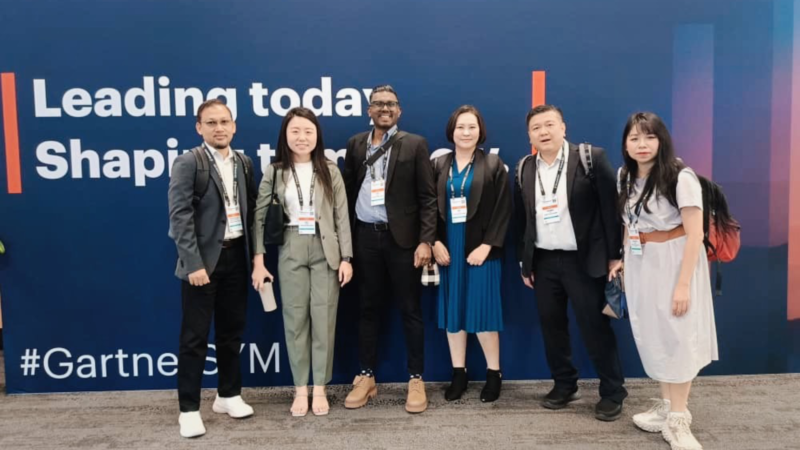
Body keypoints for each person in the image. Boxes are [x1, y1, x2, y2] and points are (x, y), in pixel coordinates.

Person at [515, 104, 627, 421]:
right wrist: (525, 264)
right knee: (552, 327)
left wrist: (615, 256)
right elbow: (522, 220)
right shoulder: (524, 167)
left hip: (584, 261)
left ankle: (613, 391)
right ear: (529, 135)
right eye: (536, 128)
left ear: (564, 127)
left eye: (550, 125)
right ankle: (565, 385)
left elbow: (610, 211)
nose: (544, 132)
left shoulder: (591, 158)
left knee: (595, 327)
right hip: (544, 261)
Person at [613, 112, 718, 450]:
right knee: (654, 335)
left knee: (679, 335)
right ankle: (666, 406)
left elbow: (695, 234)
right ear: (626, 144)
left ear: (661, 140)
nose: (641, 145)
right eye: (634, 138)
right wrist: (626, 263)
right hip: (642, 263)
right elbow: (629, 224)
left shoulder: (680, 176)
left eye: (649, 137)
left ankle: (679, 420)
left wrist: (684, 284)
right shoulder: (623, 177)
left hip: (675, 261)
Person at [251, 107, 353, 417]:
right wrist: (258, 260)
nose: (302, 137)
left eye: (308, 131)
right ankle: (300, 389)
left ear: (317, 135)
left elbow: (340, 216)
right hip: (291, 244)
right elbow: (258, 216)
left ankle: (320, 388)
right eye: (295, 131)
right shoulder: (275, 170)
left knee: (323, 320)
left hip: (326, 248)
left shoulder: (330, 170)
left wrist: (347, 257)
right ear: (285, 135)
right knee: (295, 320)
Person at [341, 84, 437, 413]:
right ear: (369, 110)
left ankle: (415, 379)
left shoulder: (414, 144)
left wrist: (426, 240)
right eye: (378, 104)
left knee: (410, 310)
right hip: (365, 237)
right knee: (367, 308)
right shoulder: (355, 144)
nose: (385, 108)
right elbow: (348, 193)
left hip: (403, 242)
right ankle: (366, 377)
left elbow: (427, 197)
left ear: (399, 111)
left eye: (391, 104)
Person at [168, 99, 258, 438]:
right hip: (203, 263)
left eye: (224, 122)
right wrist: (193, 263)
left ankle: (228, 394)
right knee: (194, 338)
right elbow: (179, 217)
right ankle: (188, 409)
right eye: (211, 122)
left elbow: (249, 212)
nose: (218, 128)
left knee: (231, 333)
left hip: (237, 257)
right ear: (199, 127)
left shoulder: (244, 163)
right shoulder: (188, 162)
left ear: (234, 126)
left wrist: (254, 258)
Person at [431, 105, 510, 402]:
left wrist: (487, 246)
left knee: (483, 313)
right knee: (455, 314)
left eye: (472, 127)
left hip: (481, 250)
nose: (466, 132)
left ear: (481, 131)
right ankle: (459, 373)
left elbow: (504, 210)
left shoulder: (492, 163)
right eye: (460, 127)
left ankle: (493, 373)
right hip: (448, 249)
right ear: (451, 130)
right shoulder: (439, 164)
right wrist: (435, 241)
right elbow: (428, 208)